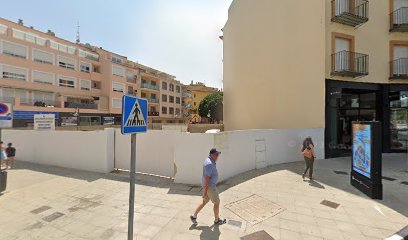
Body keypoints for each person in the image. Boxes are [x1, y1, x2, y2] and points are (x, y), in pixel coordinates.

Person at [191, 148, 226, 225]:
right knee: (217, 202)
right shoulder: (210, 164)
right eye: (216, 155)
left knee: (205, 201)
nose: (217, 156)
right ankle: (217, 220)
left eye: (218, 155)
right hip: (210, 187)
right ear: (211, 154)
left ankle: (194, 216)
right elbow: (207, 178)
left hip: (207, 186)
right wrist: (205, 191)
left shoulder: (208, 160)